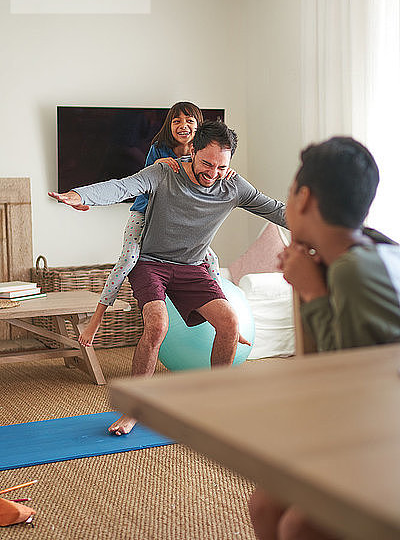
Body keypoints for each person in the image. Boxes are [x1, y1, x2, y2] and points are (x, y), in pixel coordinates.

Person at [49, 120, 287, 435]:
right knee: (157, 324)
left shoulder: (234, 186)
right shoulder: (165, 173)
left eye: (221, 166)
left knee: (230, 322)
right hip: (151, 263)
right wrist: (80, 195)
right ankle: (134, 409)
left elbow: (276, 210)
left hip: (192, 267)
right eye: (206, 163)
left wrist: (326, 221)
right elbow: (122, 186)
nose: (212, 173)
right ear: (193, 150)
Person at [248, 136, 400, 540]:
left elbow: (345, 379)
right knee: (265, 502)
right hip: (373, 426)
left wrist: (312, 292)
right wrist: (306, 280)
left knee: (299, 525)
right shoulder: (364, 251)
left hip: (384, 434)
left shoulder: (354, 270)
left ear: (304, 199)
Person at [79, 102, 231, 346]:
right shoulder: (159, 149)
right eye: (176, 121)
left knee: (212, 259)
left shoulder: (202, 157)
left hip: (176, 223)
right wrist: (159, 166)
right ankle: (96, 320)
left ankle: (225, 315)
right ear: (169, 126)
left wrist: (226, 172)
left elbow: (214, 176)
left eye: (189, 121)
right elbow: (141, 180)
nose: (183, 126)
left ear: (199, 127)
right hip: (144, 213)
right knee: (127, 259)